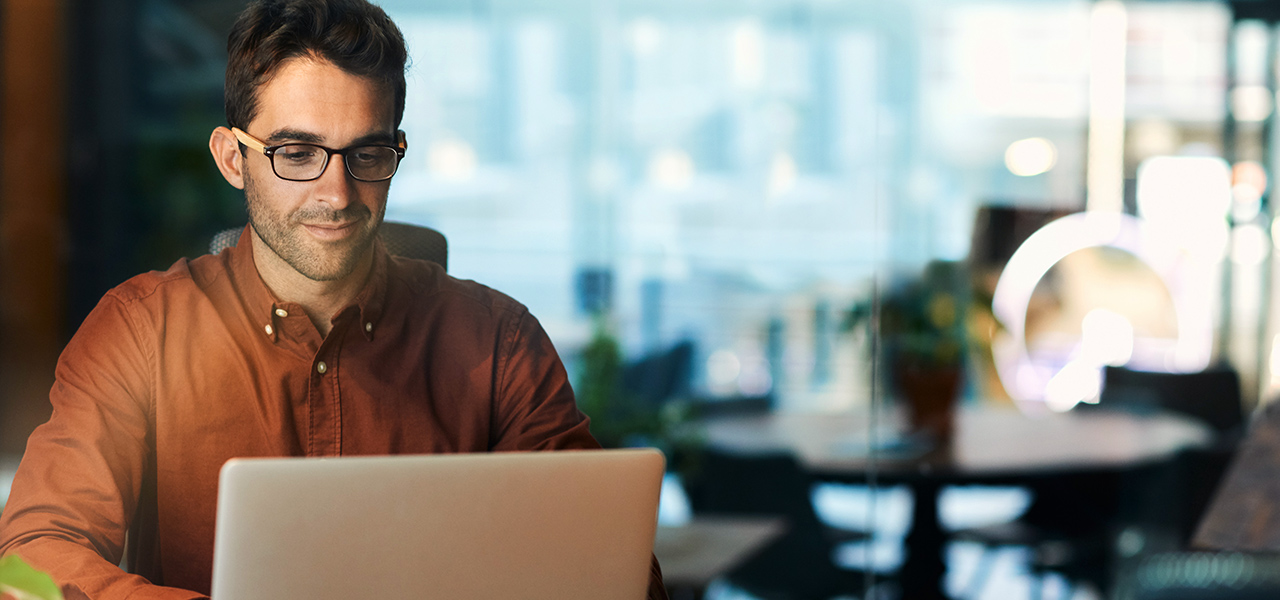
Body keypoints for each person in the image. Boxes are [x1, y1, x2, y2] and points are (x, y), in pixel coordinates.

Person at [0, 1, 667, 598]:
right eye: (296, 152)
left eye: (367, 153)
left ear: (395, 153)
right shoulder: (141, 332)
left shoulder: (497, 343)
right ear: (234, 159)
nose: (337, 193)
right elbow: (30, 556)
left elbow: (611, 567)